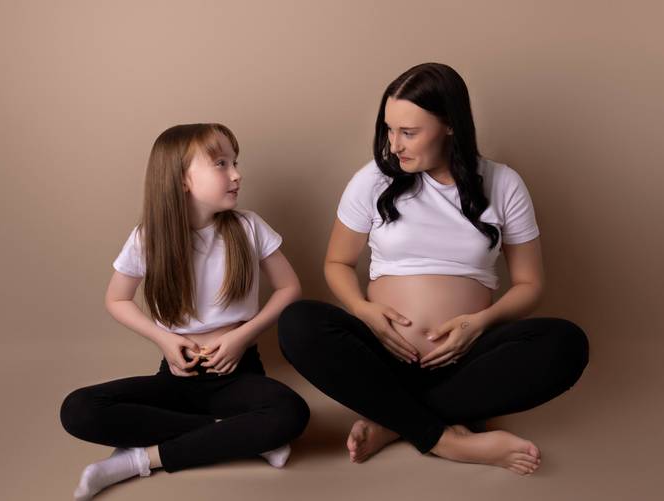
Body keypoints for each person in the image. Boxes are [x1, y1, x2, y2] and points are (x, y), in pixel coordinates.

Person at [278, 63, 588, 476]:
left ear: (450, 125)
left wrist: (478, 324)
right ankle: (445, 439)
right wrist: (364, 311)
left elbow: (530, 284)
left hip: (465, 358)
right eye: (389, 130)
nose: (394, 145)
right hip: (383, 353)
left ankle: (396, 423)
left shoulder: (503, 183)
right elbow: (337, 263)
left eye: (409, 133)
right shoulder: (372, 180)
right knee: (298, 323)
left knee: (566, 343)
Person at [60, 124, 310, 500]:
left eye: (235, 162)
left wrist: (242, 337)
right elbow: (117, 299)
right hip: (178, 377)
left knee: (292, 413)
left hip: (238, 374)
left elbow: (290, 288)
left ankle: (138, 460)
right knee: (78, 409)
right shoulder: (147, 238)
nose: (237, 174)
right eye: (221, 164)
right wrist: (164, 339)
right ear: (181, 180)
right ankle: (236, 434)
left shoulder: (249, 227)